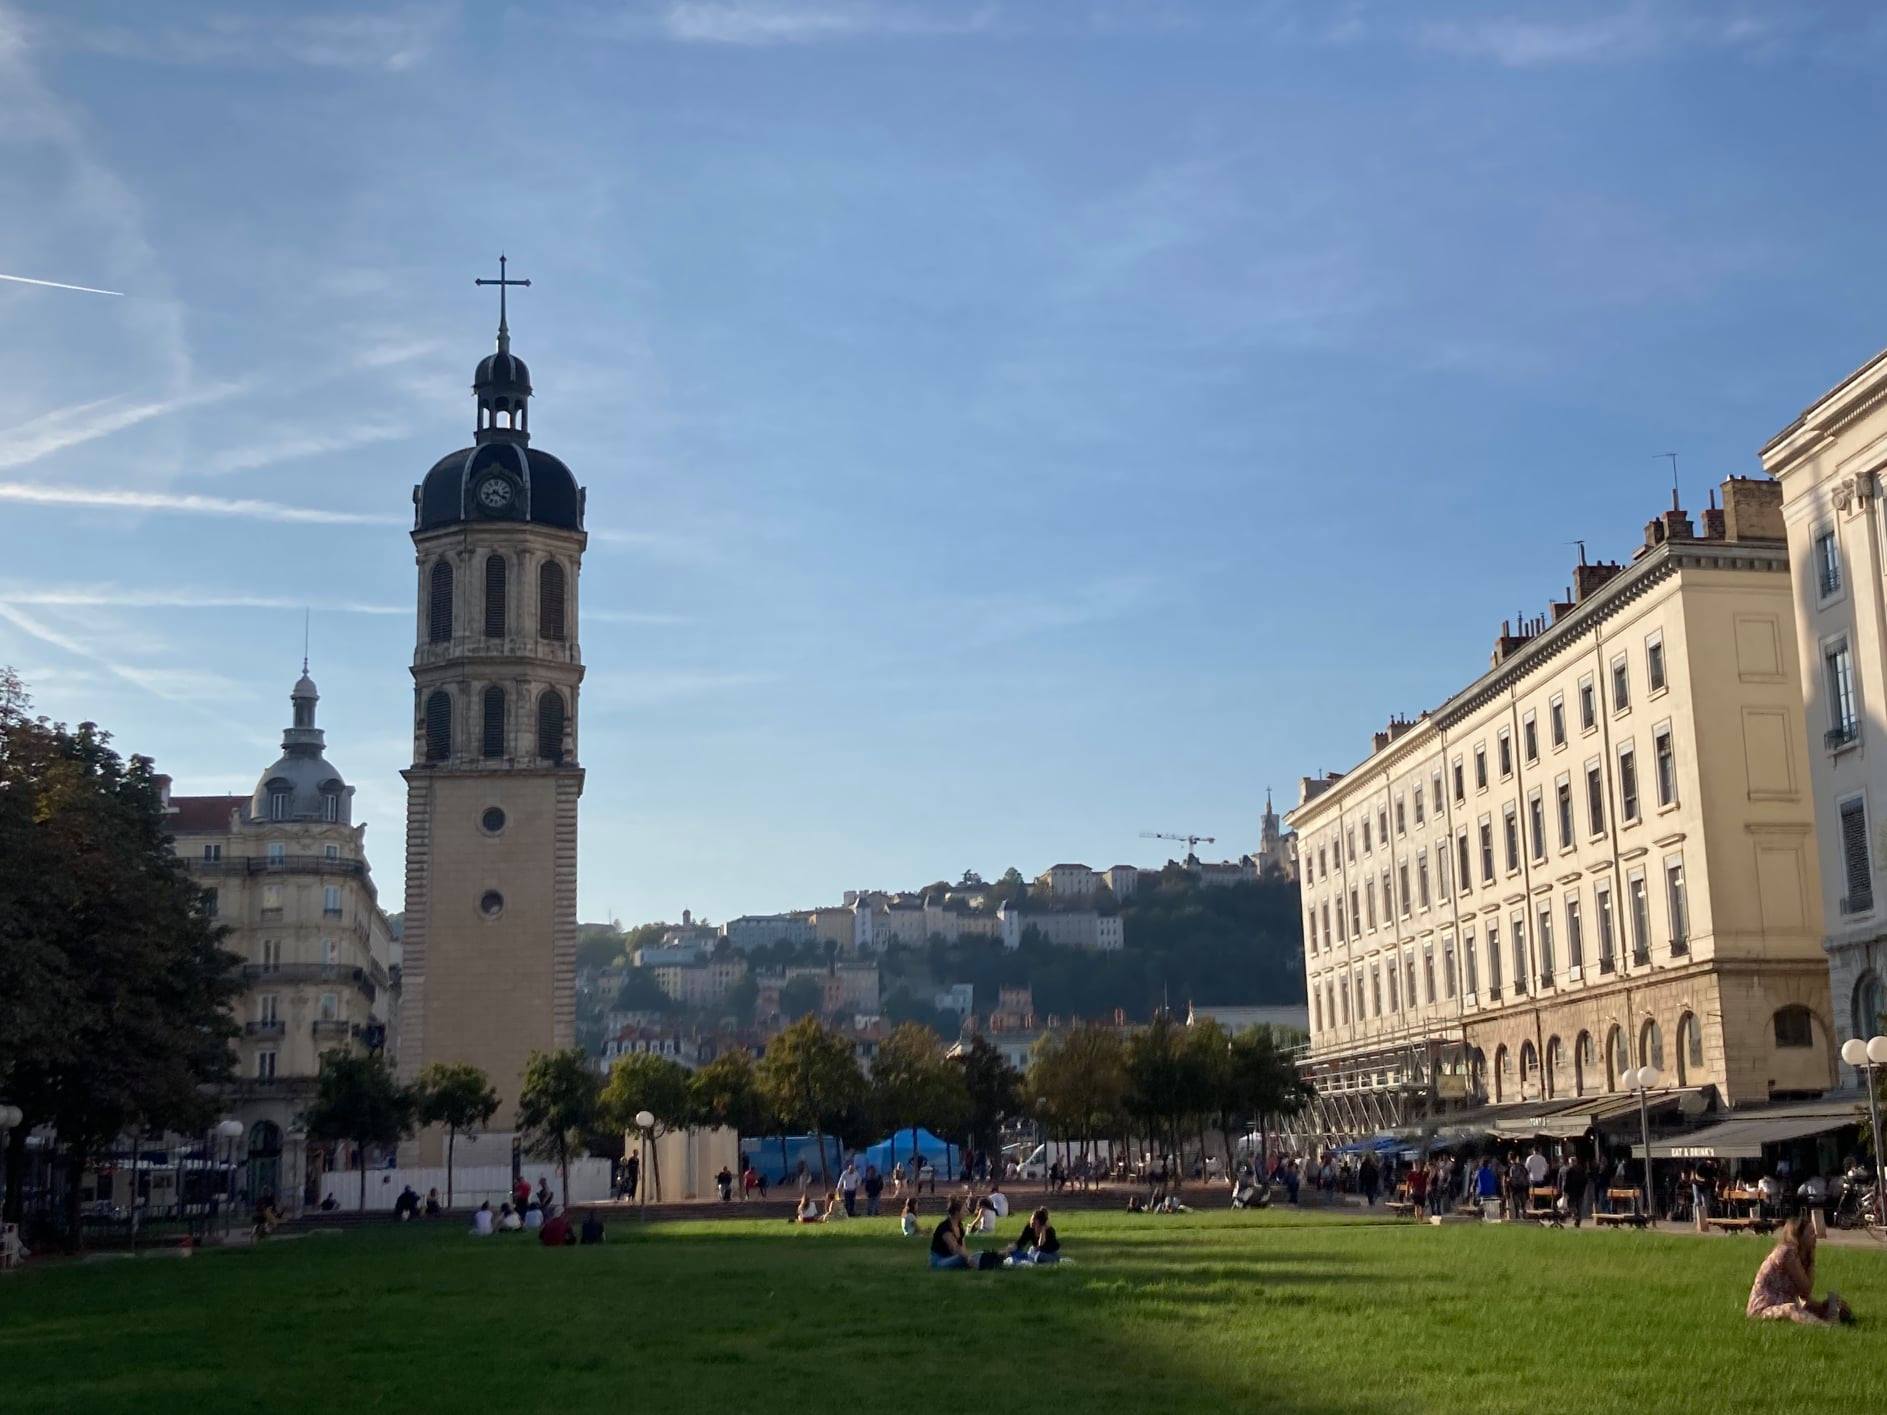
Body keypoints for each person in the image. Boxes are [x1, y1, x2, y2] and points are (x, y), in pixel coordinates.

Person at [1748, 1215, 1852, 1325]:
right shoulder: (1787, 1252)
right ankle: (1826, 1327)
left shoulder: (1801, 1256)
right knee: (1791, 1309)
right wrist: (1811, 1260)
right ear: (1799, 1235)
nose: (1815, 1236)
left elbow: (1805, 1295)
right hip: (1763, 1308)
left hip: (1784, 1302)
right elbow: (1806, 1288)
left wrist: (1810, 1259)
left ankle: (1837, 1318)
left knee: (1830, 1305)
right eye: (1811, 1233)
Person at [929, 1196, 971, 1269]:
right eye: (964, 1210)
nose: (967, 1212)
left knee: (969, 1259)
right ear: (957, 1212)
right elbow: (954, 1248)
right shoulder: (945, 1227)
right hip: (939, 1261)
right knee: (963, 1259)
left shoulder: (960, 1227)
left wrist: (970, 1258)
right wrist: (969, 1259)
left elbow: (963, 1248)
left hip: (951, 1258)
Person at [1563, 1153, 1589, 1229]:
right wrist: (1583, 1188)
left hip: (1572, 1191)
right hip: (1580, 1191)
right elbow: (1585, 1180)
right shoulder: (1581, 1169)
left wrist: (1565, 1191)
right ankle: (1578, 1218)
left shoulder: (1569, 1170)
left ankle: (1575, 1215)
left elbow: (1567, 1182)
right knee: (1579, 1205)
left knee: (1571, 1205)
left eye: (1570, 1162)